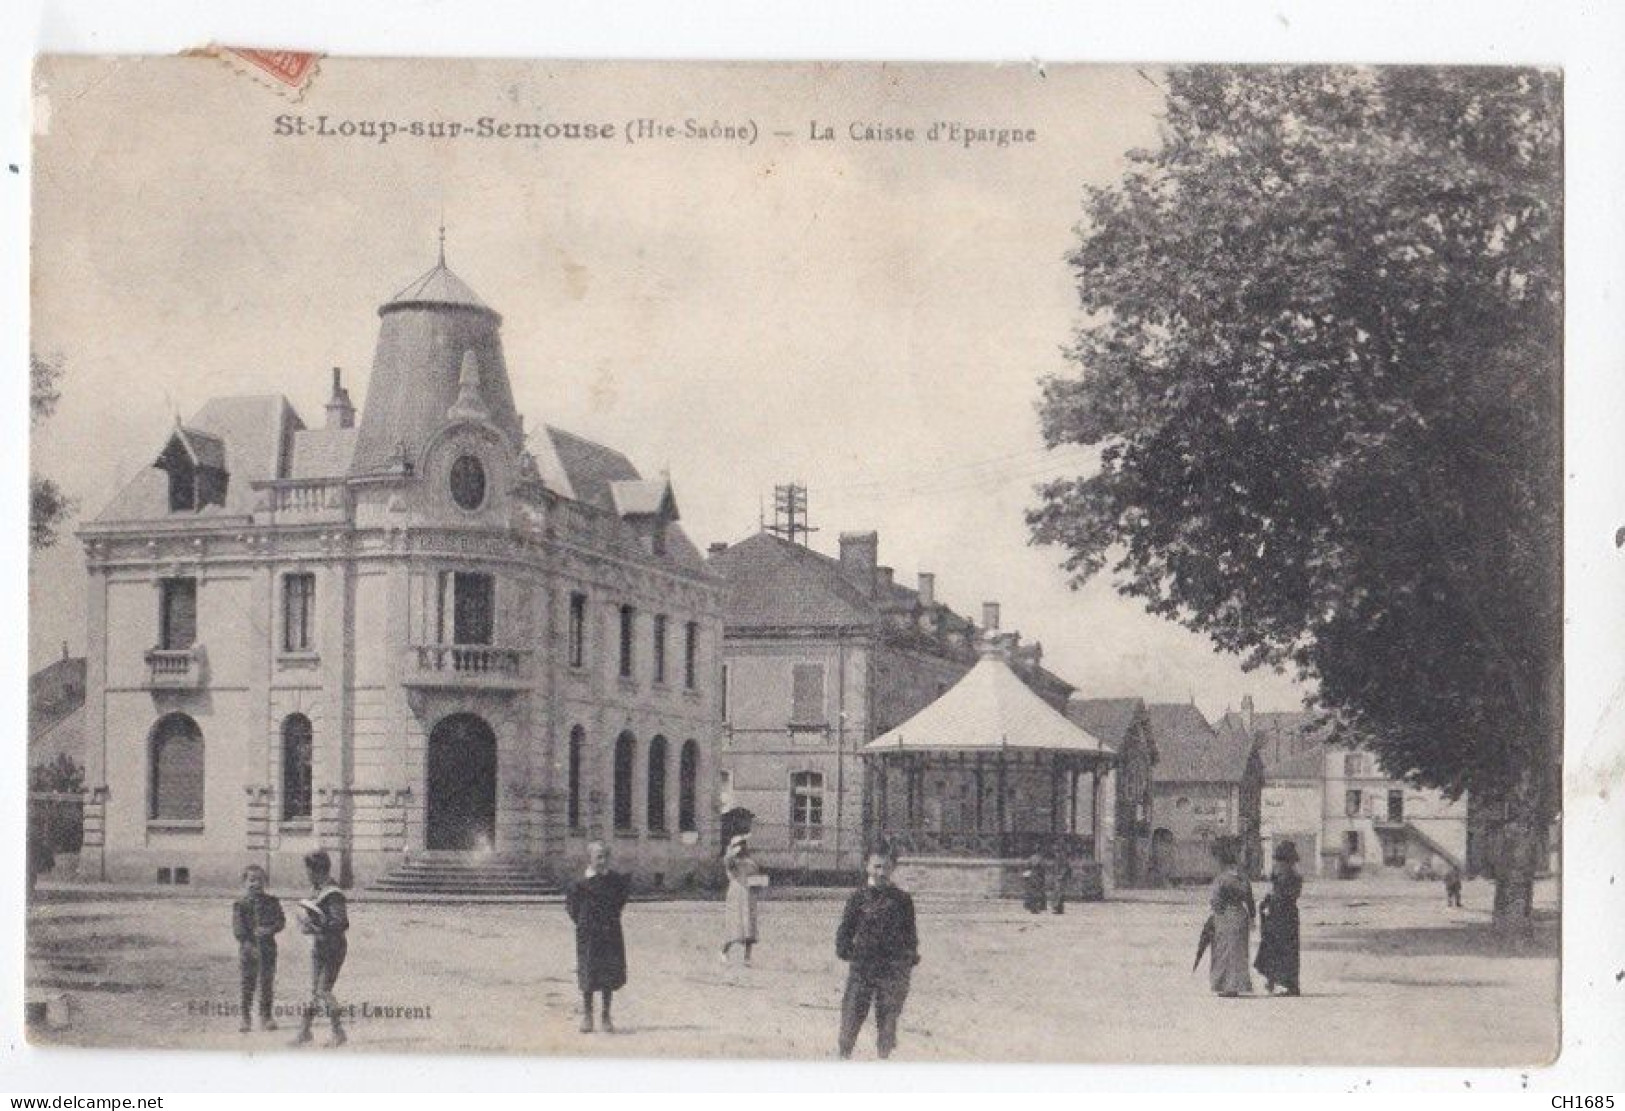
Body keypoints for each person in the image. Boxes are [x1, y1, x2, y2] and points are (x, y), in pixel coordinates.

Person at [835, 849, 920, 1060]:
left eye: (886, 867)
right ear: (867, 867)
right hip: (863, 965)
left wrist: (908, 957)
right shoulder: (857, 898)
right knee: (853, 1011)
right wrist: (849, 952)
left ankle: (884, 1057)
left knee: (889, 1014)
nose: (881, 872)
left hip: (892, 966)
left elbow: (910, 933)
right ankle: (844, 1053)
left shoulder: (902, 900)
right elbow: (845, 931)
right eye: (877, 866)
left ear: (893, 869)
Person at [566, 841, 630, 1033]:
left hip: (609, 932)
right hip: (588, 934)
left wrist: (609, 919)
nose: (602, 861)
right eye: (598, 857)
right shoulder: (579, 882)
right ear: (590, 858)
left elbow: (620, 901)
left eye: (605, 856)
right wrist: (584, 922)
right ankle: (587, 1015)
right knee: (587, 971)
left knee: (608, 973)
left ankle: (606, 1015)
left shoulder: (615, 880)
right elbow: (572, 907)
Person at [293, 850, 349, 1047]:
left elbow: (341, 923)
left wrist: (317, 926)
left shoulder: (333, 894)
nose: (306, 874)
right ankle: (304, 1031)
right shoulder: (317, 889)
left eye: (308, 870)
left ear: (316, 870)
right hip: (320, 945)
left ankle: (338, 1032)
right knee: (314, 991)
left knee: (323, 991)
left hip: (333, 948)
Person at [232, 864, 286, 1031]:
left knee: (266, 983)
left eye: (260, 880)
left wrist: (269, 929)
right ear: (244, 883)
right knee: (247, 984)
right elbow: (238, 930)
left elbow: (280, 922)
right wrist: (249, 942)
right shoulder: (240, 905)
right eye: (251, 880)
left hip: (268, 949)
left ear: (265, 883)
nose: (255, 884)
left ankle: (266, 1016)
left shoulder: (272, 902)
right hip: (248, 950)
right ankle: (245, 1018)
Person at [1206, 835, 1255, 997]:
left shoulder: (1221, 879)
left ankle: (1228, 986)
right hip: (1241, 915)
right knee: (1238, 952)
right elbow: (1250, 899)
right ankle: (1236, 985)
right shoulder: (1242, 877)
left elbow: (1215, 901)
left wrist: (1218, 912)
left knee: (1224, 951)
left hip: (1226, 917)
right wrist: (1253, 918)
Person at [1254, 841, 1302, 996]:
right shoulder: (1294, 873)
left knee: (1273, 946)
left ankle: (1274, 980)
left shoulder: (1281, 871)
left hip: (1278, 914)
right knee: (1288, 949)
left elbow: (1277, 893)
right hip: (1290, 914)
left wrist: (1267, 903)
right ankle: (1288, 983)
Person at [720, 834, 760, 966]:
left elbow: (757, 880)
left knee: (749, 927)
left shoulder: (751, 864)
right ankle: (724, 952)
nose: (742, 848)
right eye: (739, 845)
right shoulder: (732, 863)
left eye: (743, 845)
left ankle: (747, 957)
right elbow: (727, 861)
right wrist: (732, 851)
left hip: (748, 896)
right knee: (734, 926)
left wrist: (758, 885)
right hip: (736, 896)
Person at [1046, 842, 1073, 915]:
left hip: (1060, 878)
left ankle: (1057, 908)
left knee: (1058, 893)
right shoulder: (1058, 858)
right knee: (1058, 893)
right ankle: (1058, 908)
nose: (1055, 852)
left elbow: (1065, 868)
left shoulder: (1062, 858)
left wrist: (1060, 875)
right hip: (1058, 877)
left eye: (1056, 850)